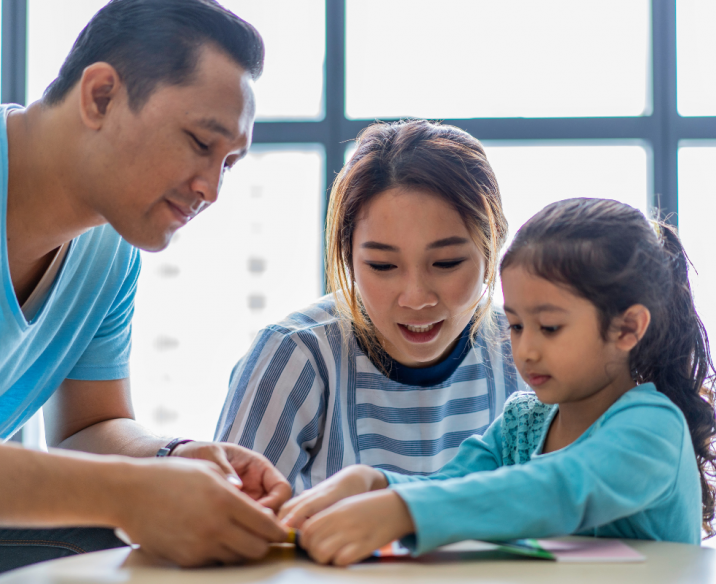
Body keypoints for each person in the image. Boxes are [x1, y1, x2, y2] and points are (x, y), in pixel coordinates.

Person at [0, 0, 292, 572]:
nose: (211, 189)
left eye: (229, 163)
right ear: (101, 96)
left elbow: (88, 427)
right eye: (200, 143)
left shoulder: (109, 248)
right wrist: (132, 494)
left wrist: (172, 458)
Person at [279, 198, 716, 566]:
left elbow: (557, 490)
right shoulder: (522, 422)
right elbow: (453, 485)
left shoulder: (653, 428)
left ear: (626, 329)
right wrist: (373, 483)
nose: (525, 350)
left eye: (549, 327)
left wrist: (401, 510)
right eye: (516, 325)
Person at [216, 120, 526, 493]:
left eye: (446, 263)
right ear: (348, 259)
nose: (416, 298)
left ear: (491, 250)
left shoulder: (521, 349)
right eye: (382, 266)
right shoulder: (297, 354)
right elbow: (223, 518)